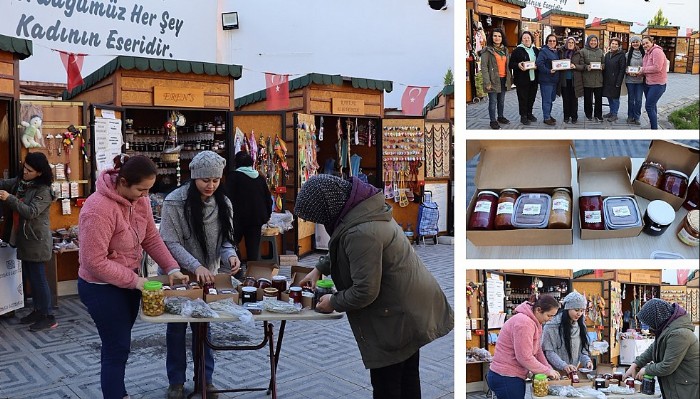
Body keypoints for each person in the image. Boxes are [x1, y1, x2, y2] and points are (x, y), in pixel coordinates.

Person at [294, 174, 453, 399]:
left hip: (398, 314)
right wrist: (319, 268)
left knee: (388, 385)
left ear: (328, 209)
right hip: (406, 305)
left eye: (318, 217)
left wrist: (334, 301)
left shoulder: (361, 231)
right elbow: (348, 249)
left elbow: (365, 291)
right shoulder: (361, 212)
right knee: (406, 377)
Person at [78, 154, 189, 399]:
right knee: (117, 347)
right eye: (141, 189)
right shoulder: (97, 208)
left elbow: (151, 237)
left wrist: (172, 268)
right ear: (123, 181)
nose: (145, 195)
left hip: (128, 283)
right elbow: (93, 261)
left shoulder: (141, 202)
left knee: (117, 345)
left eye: (149, 190)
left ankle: (116, 391)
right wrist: (137, 282)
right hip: (100, 287)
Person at [159, 151, 240, 399]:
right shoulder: (174, 202)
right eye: (205, 180)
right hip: (178, 276)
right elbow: (170, 242)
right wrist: (195, 266)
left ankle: (206, 379)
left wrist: (230, 256)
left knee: (204, 329)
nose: (210, 185)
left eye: (215, 180)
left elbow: (226, 240)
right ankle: (176, 382)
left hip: (207, 277)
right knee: (176, 329)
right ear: (194, 177)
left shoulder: (223, 203)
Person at [0, 152, 56, 332]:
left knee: (39, 279)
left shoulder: (44, 191)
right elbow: (3, 184)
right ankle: (37, 311)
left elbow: (30, 212)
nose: (25, 172)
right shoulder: (21, 182)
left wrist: (9, 198)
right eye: (25, 167)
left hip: (37, 240)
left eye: (29, 170)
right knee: (31, 276)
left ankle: (48, 316)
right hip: (23, 238)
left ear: (39, 173)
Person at [487, 295, 561, 399]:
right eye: (549, 316)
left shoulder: (535, 321)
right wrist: (546, 371)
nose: (550, 319)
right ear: (539, 310)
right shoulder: (524, 323)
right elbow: (524, 357)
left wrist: (548, 368)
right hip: (506, 376)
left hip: (509, 376)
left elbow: (537, 349)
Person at [623, 298, 698, 399]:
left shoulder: (679, 334)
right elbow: (653, 349)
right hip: (678, 385)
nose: (649, 327)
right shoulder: (667, 329)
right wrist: (635, 364)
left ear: (656, 319)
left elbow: (667, 366)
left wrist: (646, 370)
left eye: (649, 323)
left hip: (686, 389)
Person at [225, 150, 272, 269]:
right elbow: (268, 199)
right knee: (253, 249)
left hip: (237, 219)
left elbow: (227, 197)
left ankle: (237, 269)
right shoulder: (259, 178)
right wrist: (266, 216)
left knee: (232, 244)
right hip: (256, 219)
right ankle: (252, 274)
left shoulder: (233, 177)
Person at [541, 291, 593, 374]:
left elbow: (582, 351)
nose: (579, 314)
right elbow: (549, 352)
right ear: (567, 308)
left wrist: (587, 361)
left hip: (573, 373)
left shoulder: (581, 325)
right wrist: (564, 365)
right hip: (554, 373)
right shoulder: (551, 326)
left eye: (582, 310)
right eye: (576, 310)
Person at [481, 27, 512, 129]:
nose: (497, 38)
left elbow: (508, 65)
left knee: (501, 101)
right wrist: (487, 82)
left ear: (502, 38)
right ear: (492, 37)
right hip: (493, 80)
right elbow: (484, 67)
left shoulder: (505, 50)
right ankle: (493, 120)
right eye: (495, 36)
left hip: (503, 79)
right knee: (493, 101)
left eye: (499, 36)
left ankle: (501, 117)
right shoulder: (487, 50)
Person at [509, 31, 539, 125]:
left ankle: (529, 113)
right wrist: (518, 65)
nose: (526, 39)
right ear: (521, 40)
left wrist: (538, 65)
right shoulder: (517, 50)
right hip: (522, 80)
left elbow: (539, 61)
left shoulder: (535, 50)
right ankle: (523, 116)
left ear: (531, 39)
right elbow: (511, 64)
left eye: (528, 38)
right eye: (524, 38)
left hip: (533, 79)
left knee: (532, 98)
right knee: (523, 98)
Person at [639, 36, 668, 129]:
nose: (645, 45)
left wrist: (642, 69)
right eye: (643, 44)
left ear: (652, 42)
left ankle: (654, 130)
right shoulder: (647, 53)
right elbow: (646, 69)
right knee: (653, 105)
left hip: (658, 84)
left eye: (647, 43)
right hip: (648, 83)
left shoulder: (657, 51)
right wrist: (639, 73)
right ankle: (652, 124)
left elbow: (657, 67)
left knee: (649, 106)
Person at [535, 34, 561, 126]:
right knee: (547, 100)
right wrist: (548, 71)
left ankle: (548, 114)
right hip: (546, 80)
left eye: (554, 41)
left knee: (551, 99)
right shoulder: (544, 51)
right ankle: (546, 117)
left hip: (554, 80)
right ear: (547, 42)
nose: (552, 42)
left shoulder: (555, 51)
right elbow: (539, 63)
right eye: (550, 41)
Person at [557, 36, 584, 124]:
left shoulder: (578, 53)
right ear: (566, 43)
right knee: (566, 99)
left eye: (572, 43)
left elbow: (583, 66)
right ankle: (566, 116)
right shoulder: (561, 52)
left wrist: (575, 66)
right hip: (564, 79)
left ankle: (574, 117)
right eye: (569, 42)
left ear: (574, 44)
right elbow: (557, 63)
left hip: (575, 80)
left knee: (574, 99)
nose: (571, 44)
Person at [579, 34, 605, 122]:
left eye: (595, 41)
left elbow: (604, 63)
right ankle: (588, 114)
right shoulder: (583, 51)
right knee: (588, 99)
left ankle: (598, 114)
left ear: (597, 42)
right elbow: (581, 63)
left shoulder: (600, 51)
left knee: (598, 98)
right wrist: (586, 67)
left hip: (598, 79)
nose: (593, 42)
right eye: (591, 40)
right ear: (588, 41)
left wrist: (602, 66)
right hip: (587, 79)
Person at [602, 38, 627, 122]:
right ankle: (611, 112)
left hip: (616, 80)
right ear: (610, 44)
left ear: (618, 46)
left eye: (616, 44)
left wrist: (619, 82)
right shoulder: (607, 54)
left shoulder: (621, 55)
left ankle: (615, 114)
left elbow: (622, 69)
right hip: (607, 79)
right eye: (613, 43)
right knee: (609, 96)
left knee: (615, 98)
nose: (614, 45)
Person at [625, 36, 645, 125]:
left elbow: (647, 66)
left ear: (640, 43)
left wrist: (642, 72)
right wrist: (627, 71)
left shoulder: (645, 54)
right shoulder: (627, 54)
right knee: (630, 99)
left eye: (637, 42)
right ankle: (630, 116)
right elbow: (625, 66)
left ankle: (637, 117)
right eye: (633, 42)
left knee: (638, 100)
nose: (635, 44)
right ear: (631, 44)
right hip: (630, 80)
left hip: (640, 81)